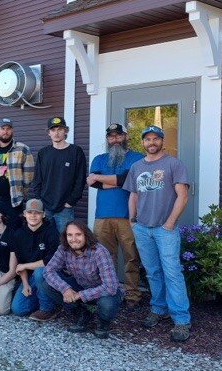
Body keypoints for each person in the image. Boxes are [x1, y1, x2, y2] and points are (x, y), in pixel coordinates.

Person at [123, 125, 192, 342]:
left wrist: (170, 223)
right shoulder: (136, 167)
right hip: (142, 228)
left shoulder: (174, 164)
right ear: (142, 142)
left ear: (162, 141)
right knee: (152, 272)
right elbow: (133, 195)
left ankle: (181, 319)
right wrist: (132, 220)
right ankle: (158, 308)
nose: (151, 142)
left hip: (165, 230)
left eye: (155, 139)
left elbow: (182, 196)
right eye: (147, 139)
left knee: (172, 272)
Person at [87, 123, 144, 308]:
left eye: (118, 136)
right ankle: (109, 292)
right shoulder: (99, 159)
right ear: (107, 139)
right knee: (105, 257)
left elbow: (130, 179)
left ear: (125, 136)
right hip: (102, 217)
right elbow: (92, 182)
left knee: (131, 256)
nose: (115, 140)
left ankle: (132, 296)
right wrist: (120, 180)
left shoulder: (136, 158)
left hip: (129, 216)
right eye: (111, 137)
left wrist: (103, 178)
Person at [36, 220, 122, 338]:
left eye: (78, 234)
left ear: (86, 235)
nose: (73, 239)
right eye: (69, 235)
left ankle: (103, 323)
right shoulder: (64, 249)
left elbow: (110, 286)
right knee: (44, 280)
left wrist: (79, 295)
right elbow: (48, 270)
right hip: (80, 285)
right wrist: (65, 289)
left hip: (103, 292)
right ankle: (81, 313)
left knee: (107, 303)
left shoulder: (99, 251)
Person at [30, 117, 87, 233]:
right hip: (45, 207)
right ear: (48, 133)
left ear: (66, 131)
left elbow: (80, 180)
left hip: (65, 208)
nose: (56, 133)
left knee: (65, 243)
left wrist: (70, 202)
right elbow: (37, 179)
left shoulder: (76, 151)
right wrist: (40, 201)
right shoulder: (43, 153)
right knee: (46, 242)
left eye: (60, 129)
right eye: (53, 130)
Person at [10, 199, 59, 317]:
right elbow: (21, 264)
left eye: (37, 213)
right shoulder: (19, 234)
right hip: (29, 276)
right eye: (30, 212)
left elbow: (50, 262)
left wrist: (25, 266)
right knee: (18, 309)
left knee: (39, 272)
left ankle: (47, 308)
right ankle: (45, 297)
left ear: (43, 214)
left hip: (49, 274)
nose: (33, 216)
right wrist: (25, 284)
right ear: (24, 214)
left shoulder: (51, 232)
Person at [0, 118, 34, 229]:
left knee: (13, 230)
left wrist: (21, 193)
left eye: (8, 129)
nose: (5, 131)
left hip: (13, 200)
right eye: (3, 128)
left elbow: (28, 175)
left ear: (12, 130)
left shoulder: (23, 149)